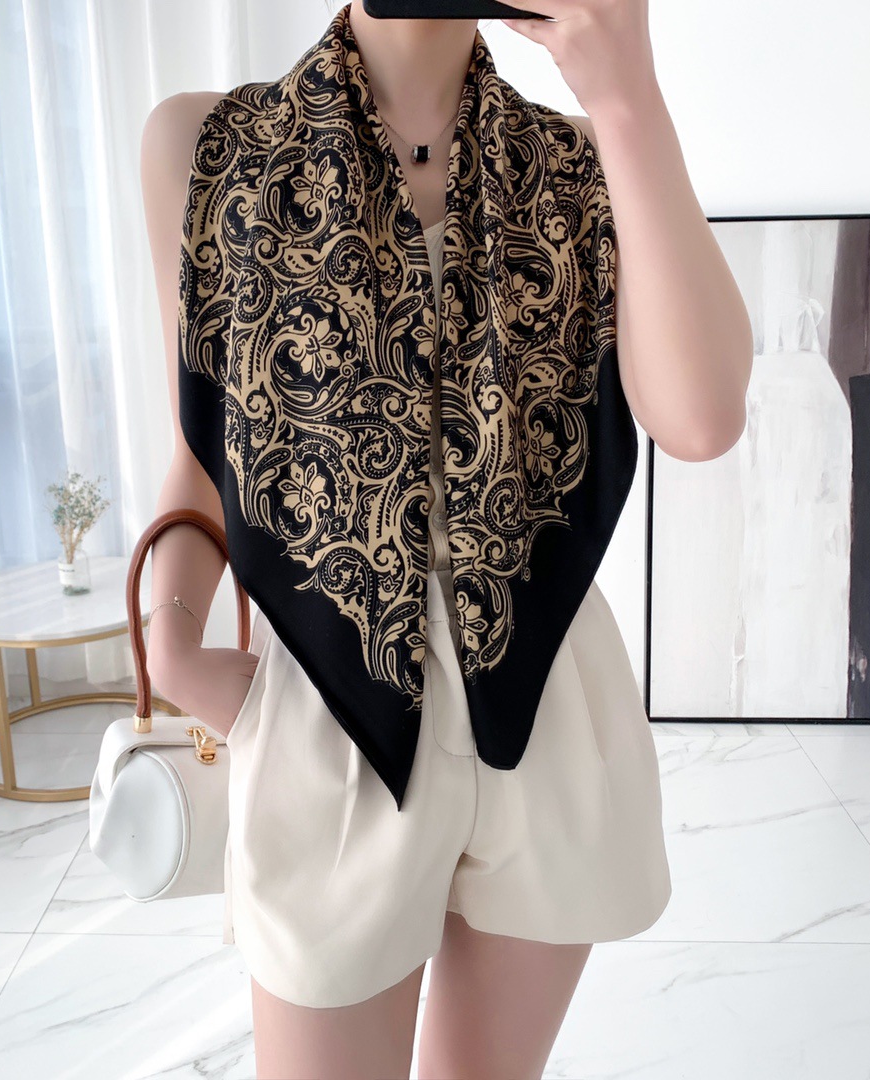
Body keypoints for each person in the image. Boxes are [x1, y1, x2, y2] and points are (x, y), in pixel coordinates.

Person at [140, 2, 752, 1077]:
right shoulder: (208, 143)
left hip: (544, 696)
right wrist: (171, 642)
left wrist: (625, 93)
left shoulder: (584, 160)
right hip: (329, 700)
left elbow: (701, 419)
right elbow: (208, 443)